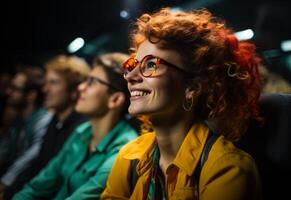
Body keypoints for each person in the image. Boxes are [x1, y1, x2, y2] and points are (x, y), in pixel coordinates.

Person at [101, 8, 262, 200]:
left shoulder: (228, 168)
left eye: (151, 65)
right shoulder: (130, 156)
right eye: (132, 65)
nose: (130, 76)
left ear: (192, 87)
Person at [13, 52, 139, 199]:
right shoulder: (82, 132)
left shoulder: (124, 152)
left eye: (91, 82)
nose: (81, 87)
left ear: (115, 99)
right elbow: (38, 186)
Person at [3, 55, 89, 199]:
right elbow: (38, 165)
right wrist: (9, 191)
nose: (45, 89)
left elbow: (59, 180)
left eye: (53, 83)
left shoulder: (81, 127)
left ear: (74, 90)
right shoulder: (55, 121)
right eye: (46, 83)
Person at [0, 67, 51, 197]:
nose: (8, 92)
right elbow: (4, 151)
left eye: (15, 89)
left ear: (31, 95)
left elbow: (30, 157)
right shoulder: (18, 120)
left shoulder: (43, 120)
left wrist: (4, 182)